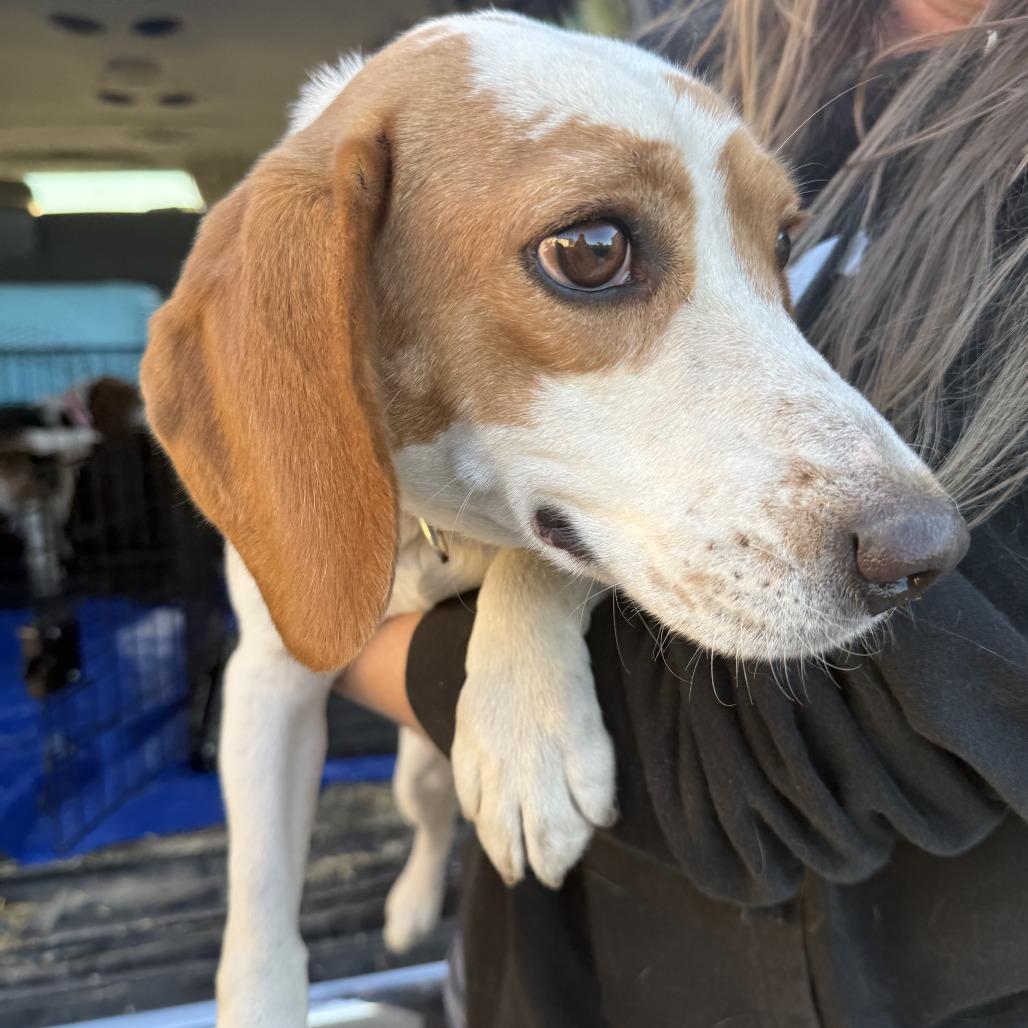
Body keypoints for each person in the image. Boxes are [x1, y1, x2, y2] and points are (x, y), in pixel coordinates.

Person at [341, 2, 1028, 1024]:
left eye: (777, 243)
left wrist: (354, 641)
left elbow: (814, 759)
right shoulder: (657, 61)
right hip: (537, 964)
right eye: (593, 252)